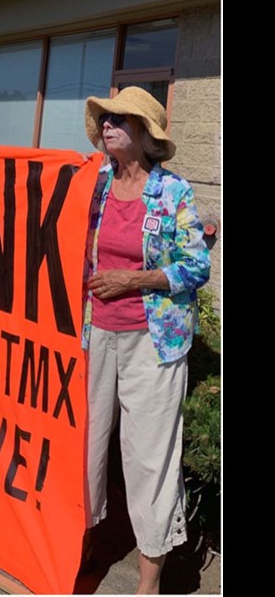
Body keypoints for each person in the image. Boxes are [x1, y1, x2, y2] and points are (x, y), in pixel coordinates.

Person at [81, 86, 210, 594]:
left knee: (148, 457)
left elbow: (197, 264)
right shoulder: (91, 185)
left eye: (121, 119)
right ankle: (83, 544)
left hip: (153, 342)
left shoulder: (173, 192)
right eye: (106, 118)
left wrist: (132, 280)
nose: (109, 125)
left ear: (145, 135)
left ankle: (149, 580)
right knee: (86, 448)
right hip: (94, 336)